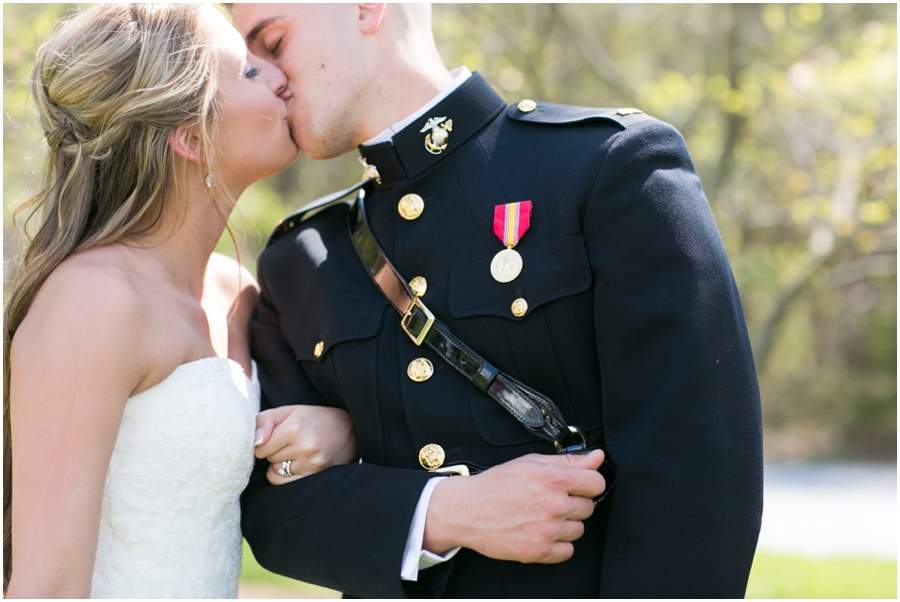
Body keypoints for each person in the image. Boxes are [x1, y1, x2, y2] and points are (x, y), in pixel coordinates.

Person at [233, 3, 764, 598]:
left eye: (272, 43)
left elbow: (697, 484)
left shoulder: (607, 169)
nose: (264, 78)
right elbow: (271, 512)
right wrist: (442, 511)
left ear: (366, 8)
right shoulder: (300, 256)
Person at [2, 4, 358, 598]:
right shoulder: (93, 301)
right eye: (248, 72)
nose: (278, 75)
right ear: (191, 138)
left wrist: (338, 432)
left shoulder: (238, 291)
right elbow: (49, 585)